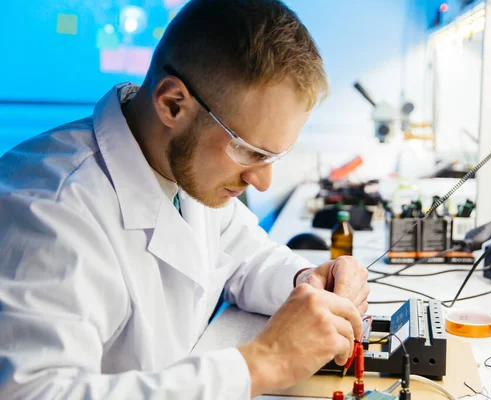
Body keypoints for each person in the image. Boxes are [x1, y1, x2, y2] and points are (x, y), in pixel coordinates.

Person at [0, 0, 371, 399]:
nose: (263, 182)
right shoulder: (49, 211)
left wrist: (308, 283)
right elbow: (34, 392)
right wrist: (261, 364)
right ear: (173, 104)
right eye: (250, 151)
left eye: (273, 156)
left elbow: (246, 258)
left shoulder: (181, 166)